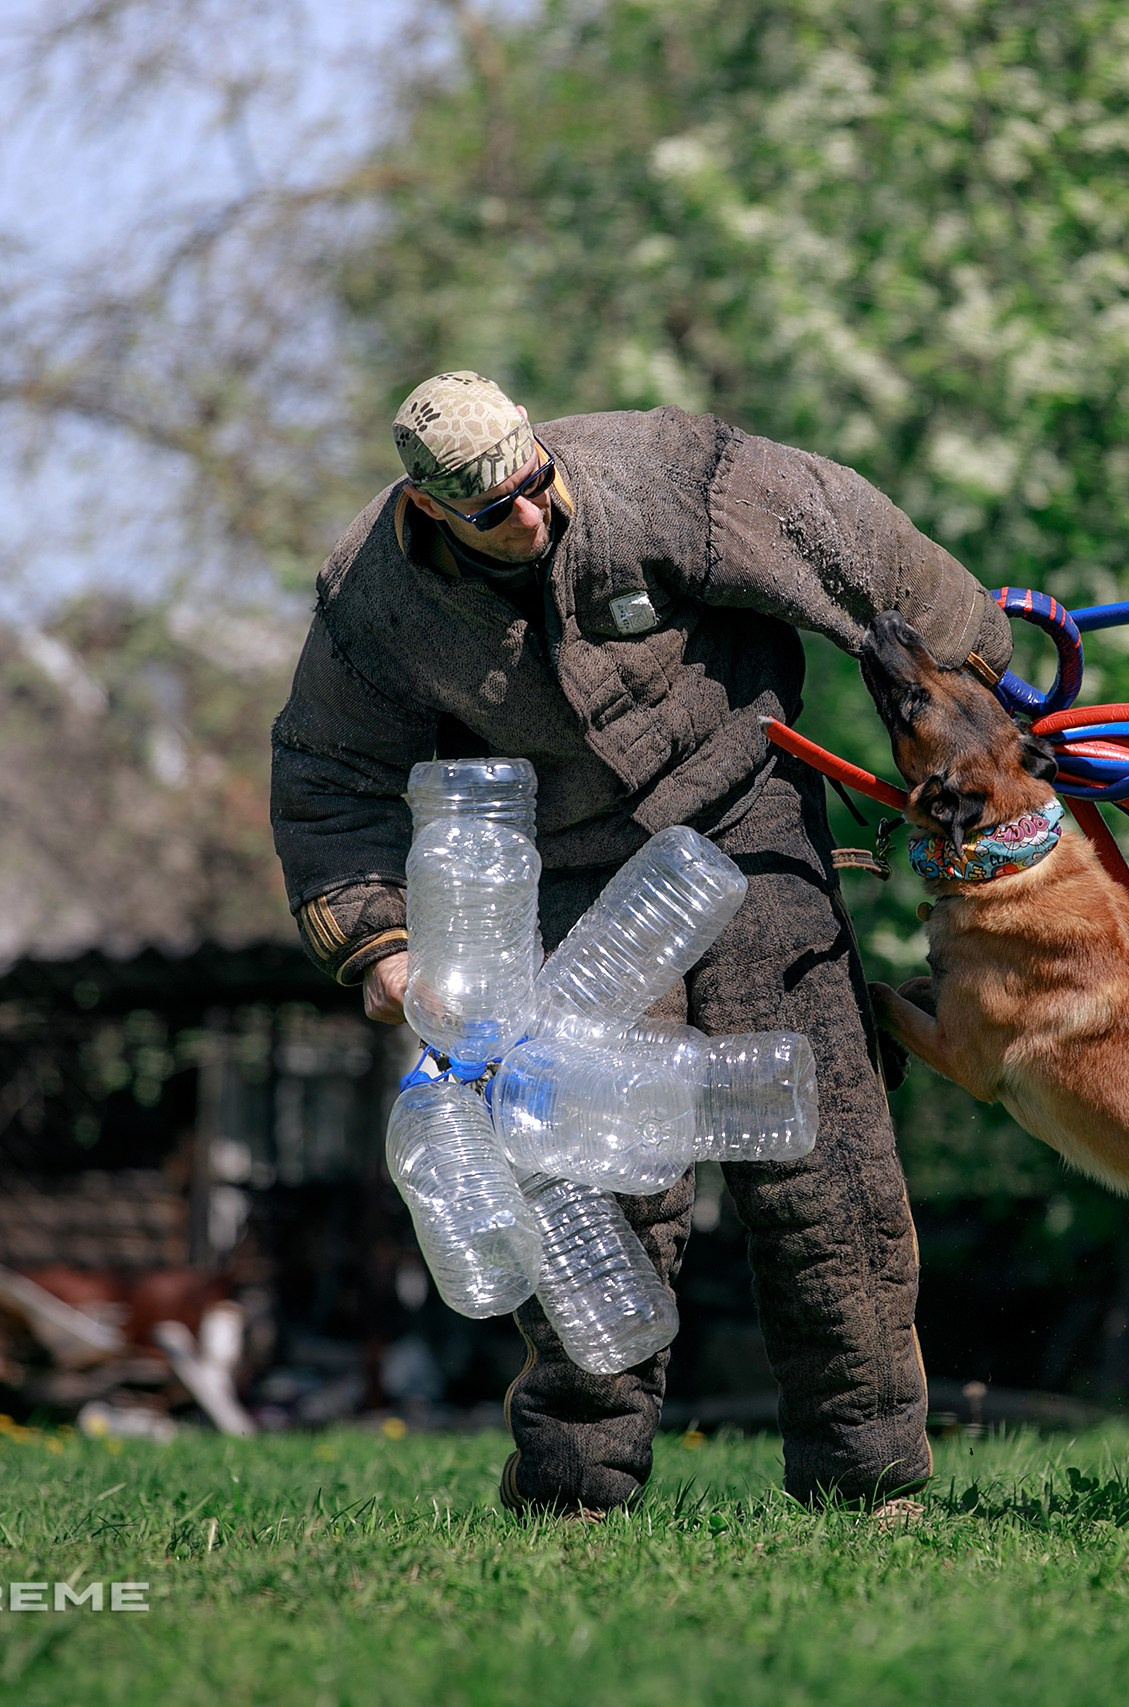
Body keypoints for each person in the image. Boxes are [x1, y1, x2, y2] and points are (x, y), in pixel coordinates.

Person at [270, 371, 1011, 1517]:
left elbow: (842, 534)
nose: (530, 514)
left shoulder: (658, 478)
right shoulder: (374, 599)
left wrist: (979, 669)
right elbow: (326, 775)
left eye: (535, 484)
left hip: (750, 821)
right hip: (571, 872)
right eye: (494, 511)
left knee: (824, 1164)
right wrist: (379, 944)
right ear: (428, 509)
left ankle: (869, 1481)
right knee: (595, 1184)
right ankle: (572, 1487)